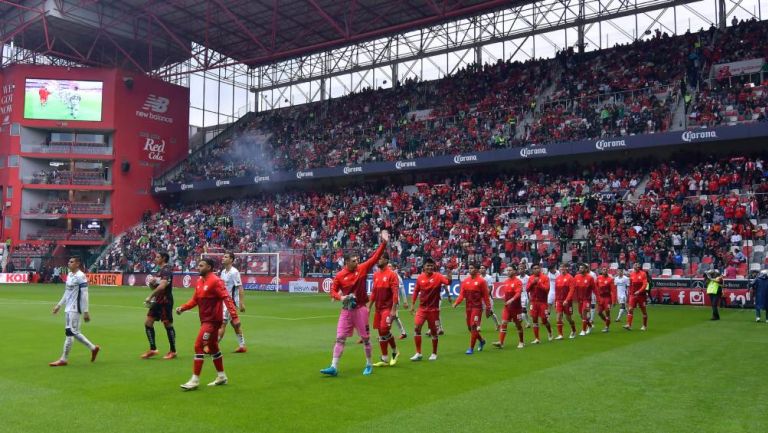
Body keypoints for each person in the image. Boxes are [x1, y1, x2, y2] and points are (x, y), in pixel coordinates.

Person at [320, 230, 389, 377]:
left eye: (357, 260)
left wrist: (383, 243)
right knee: (340, 338)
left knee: (365, 339)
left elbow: (375, 257)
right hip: (346, 311)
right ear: (346, 262)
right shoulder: (339, 275)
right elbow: (332, 291)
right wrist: (341, 298)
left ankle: (369, 364)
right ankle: (333, 367)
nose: (357, 262)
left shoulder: (362, 268)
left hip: (360, 310)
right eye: (354, 260)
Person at [176, 258, 241, 390]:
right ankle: (222, 376)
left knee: (198, 345)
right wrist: (183, 307)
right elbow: (195, 300)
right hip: (205, 320)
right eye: (198, 265)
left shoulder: (216, 281)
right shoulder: (200, 281)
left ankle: (194, 380)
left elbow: (227, 298)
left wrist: (234, 317)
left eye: (201, 265)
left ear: (209, 267)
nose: (198, 267)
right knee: (213, 347)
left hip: (212, 321)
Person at [49, 257, 100, 366]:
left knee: (71, 332)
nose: (69, 263)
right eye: (68, 261)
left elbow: (85, 294)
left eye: (71, 262)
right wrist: (59, 305)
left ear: (77, 264)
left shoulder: (81, 276)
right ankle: (91, 349)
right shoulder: (70, 275)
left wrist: (86, 311)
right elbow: (67, 292)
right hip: (68, 308)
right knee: (71, 333)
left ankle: (65, 358)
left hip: (75, 308)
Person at [409, 258, 450, 361]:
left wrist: (449, 275)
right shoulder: (420, 278)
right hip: (422, 309)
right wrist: (413, 304)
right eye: (428, 265)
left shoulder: (438, 276)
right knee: (417, 328)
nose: (429, 267)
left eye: (431, 265)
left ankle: (434, 353)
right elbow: (415, 291)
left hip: (433, 310)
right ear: (424, 267)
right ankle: (418, 353)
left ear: (434, 267)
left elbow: (448, 282)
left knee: (434, 332)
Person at [141, 252, 177, 359]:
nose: (155, 259)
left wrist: (150, 296)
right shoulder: (159, 271)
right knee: (148, 322)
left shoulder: (166, 270)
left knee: (167, 324)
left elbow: (162, 287)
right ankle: (153, 349)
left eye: (157, 257)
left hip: (165, 301)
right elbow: (156, 287)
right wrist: (152, 284)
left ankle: (173, 351)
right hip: (158, 300)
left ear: (164, 258)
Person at [368, 252, 400, 367]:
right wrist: (369, 306)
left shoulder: (392, 275)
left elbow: (395, 293)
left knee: (384, 329)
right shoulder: (376, 275)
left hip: (387, 308)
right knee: (380, 332)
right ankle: (385, 358)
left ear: (386, 260)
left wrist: (393, 309)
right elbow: (374, 292)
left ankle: (395, 351)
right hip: (378, 308)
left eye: (380, 258)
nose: (378, 260)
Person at [453, 263, 492, 354]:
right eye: (469, 268)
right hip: (468, 308)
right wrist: (456, 303)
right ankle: (482, 341)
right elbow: (462, 294)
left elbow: (486, 296)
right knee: (470, 328)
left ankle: (471, 348)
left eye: (472, 268)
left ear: (476, 270)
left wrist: (488, 308)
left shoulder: (481, 281)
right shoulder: (465, 281)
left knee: (474, 326)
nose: (469, 270)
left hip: (477, 308)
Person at [217, 252, 247, 352]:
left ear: (231, 260)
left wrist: (242, 303)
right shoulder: (223, 272)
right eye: (223, 256)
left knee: (222, 324)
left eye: (226, 257)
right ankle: (242, 346)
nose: (223, 258)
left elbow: (240, 287)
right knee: (234, 325)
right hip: (223, 301)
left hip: (230, 302)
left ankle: (213, 346)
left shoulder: (234, 272)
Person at [493, 265, 526, 349]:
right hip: (507, 308)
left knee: (518, 325)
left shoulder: (518, 282)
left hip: (516, 308)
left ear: (514, 271)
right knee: (504, 323)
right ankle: (501, 342)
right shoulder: (506, 281)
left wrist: (511, 300)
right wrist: (506, 299)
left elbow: (518, 294)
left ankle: (521, 342)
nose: (508, 272)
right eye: (507, 270)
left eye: (510, 270)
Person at [526, 263, 552, 343]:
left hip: (542, 302)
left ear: (540, 269)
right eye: (534, 268)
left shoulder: (545, 278)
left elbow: (547, 289)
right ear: (532, 270)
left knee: (544, 320)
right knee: (534, 319)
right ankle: (537, 338)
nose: (536, 270)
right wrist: (532, 283)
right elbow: (527, 289)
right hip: (533, 302)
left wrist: (539, 283)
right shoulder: (530, 278)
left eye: (537, 268)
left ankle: (550, 332)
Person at [568, 263, 595, 336]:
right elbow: (572, 288)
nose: (580, 269)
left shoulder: (590, 278)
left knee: (583, 313)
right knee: (581, 315)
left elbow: (595, 289)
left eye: (582, 268)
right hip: (580, 300)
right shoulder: (576, 277)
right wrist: (569, 298)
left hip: (587, 299)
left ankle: (583, 330)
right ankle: (589, 326)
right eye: (580, 268)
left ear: (586, 269)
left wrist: (598, 299)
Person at [554, 263, 577, 339]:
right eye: (561, 267)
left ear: (566, 268)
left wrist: (567, 300)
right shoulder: (557, 278)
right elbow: (556, 291)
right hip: (559, 301)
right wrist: (555, 301)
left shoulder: (570, 278)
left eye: (564, 267)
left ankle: (573, 330)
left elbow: (571, 290)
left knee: (568, 318)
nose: (562, 269)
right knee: (558, 317)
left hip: (567, 301)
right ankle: (560, 335)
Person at [624, 262, 649, 330]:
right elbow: (631, 286)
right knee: (630, 309)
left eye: (638, 266)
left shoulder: (643, 274)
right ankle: (629, 325)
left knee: (643, 311)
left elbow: (645, 284)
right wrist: (629, 295)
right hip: (633, 295)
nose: (637, 266)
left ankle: (644, 325)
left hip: (641, 295)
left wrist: (639, 291)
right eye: (636, 266)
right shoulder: (631, 274)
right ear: (634, 267)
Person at [479, 265, 501, 330]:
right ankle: (478, 326)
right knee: (479, 312)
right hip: (480, 298)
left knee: (490, 313)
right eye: (480, 268)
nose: (481, 269)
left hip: (487, 298)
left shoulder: (489, 277)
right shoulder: (479, 277)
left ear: (486, 270)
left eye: (483, 268)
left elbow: (490, 288)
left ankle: (497, 324)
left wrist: (485, 296)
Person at [390, 263, 409, 339]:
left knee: (392, 316)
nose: (388, 268)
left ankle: (386, 333)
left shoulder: (397, 277)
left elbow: (402, 289)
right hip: (388, 300)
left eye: (390, 266)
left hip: (395, 300)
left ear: (394, 268)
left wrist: (405, 301)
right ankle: (403, 333)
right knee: (394, 316)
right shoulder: (388, 275)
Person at [595, 266, 616, 332]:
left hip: (607, 298)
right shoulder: (598, 278)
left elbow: (613, 290)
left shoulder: (610, 279)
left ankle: (606, 327)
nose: (605, 271)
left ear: (608, 271)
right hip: (601, 298)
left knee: (607, 312)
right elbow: (595, 288)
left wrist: (614, 301)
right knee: (599, 312)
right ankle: (607, 321)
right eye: (603, 269)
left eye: (606, 270)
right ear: (601, 270)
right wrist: (596, 297)